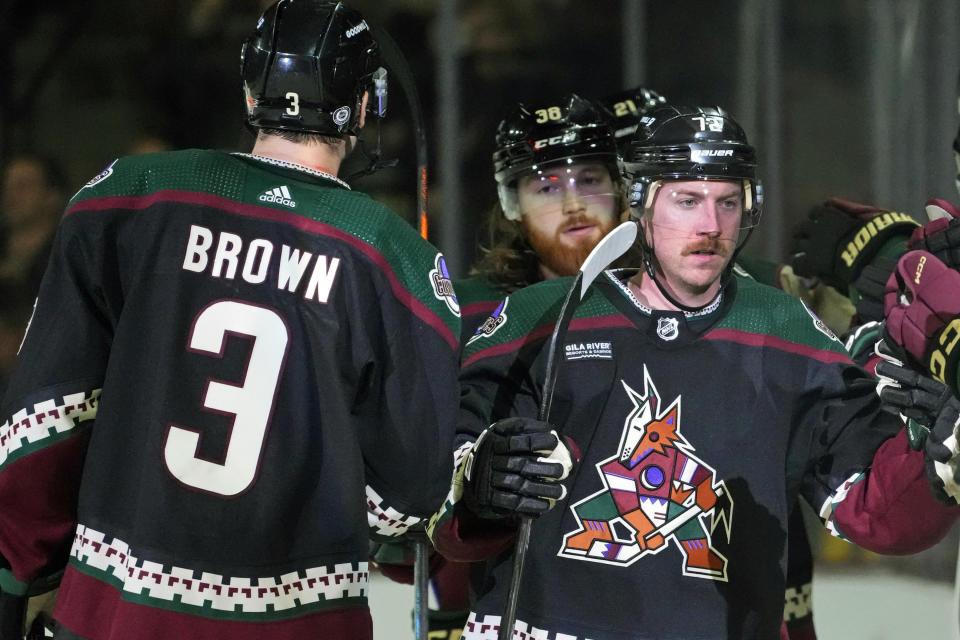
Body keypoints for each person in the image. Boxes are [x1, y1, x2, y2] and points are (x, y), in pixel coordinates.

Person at [0, 2, 461, 639]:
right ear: (361, 107)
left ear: (250, 90)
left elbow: (49, 415)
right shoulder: (397, 259)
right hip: (299, 623)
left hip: (117, 611)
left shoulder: (132, 196)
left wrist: (16, 572)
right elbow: (408, 496)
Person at [428, 104, 960, 640]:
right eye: (688, 201)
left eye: (727, 202)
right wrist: (476, 487)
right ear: (638, 204)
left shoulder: (785, 332)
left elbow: (874, 508)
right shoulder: (537, 318)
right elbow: (436, 502)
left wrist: (937, 461)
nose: (711, 226)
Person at [0, 152, 69, 297]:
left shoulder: (65, 259)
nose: (10, 195)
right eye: (7, 186)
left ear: (52, 197)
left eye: (23, 186)